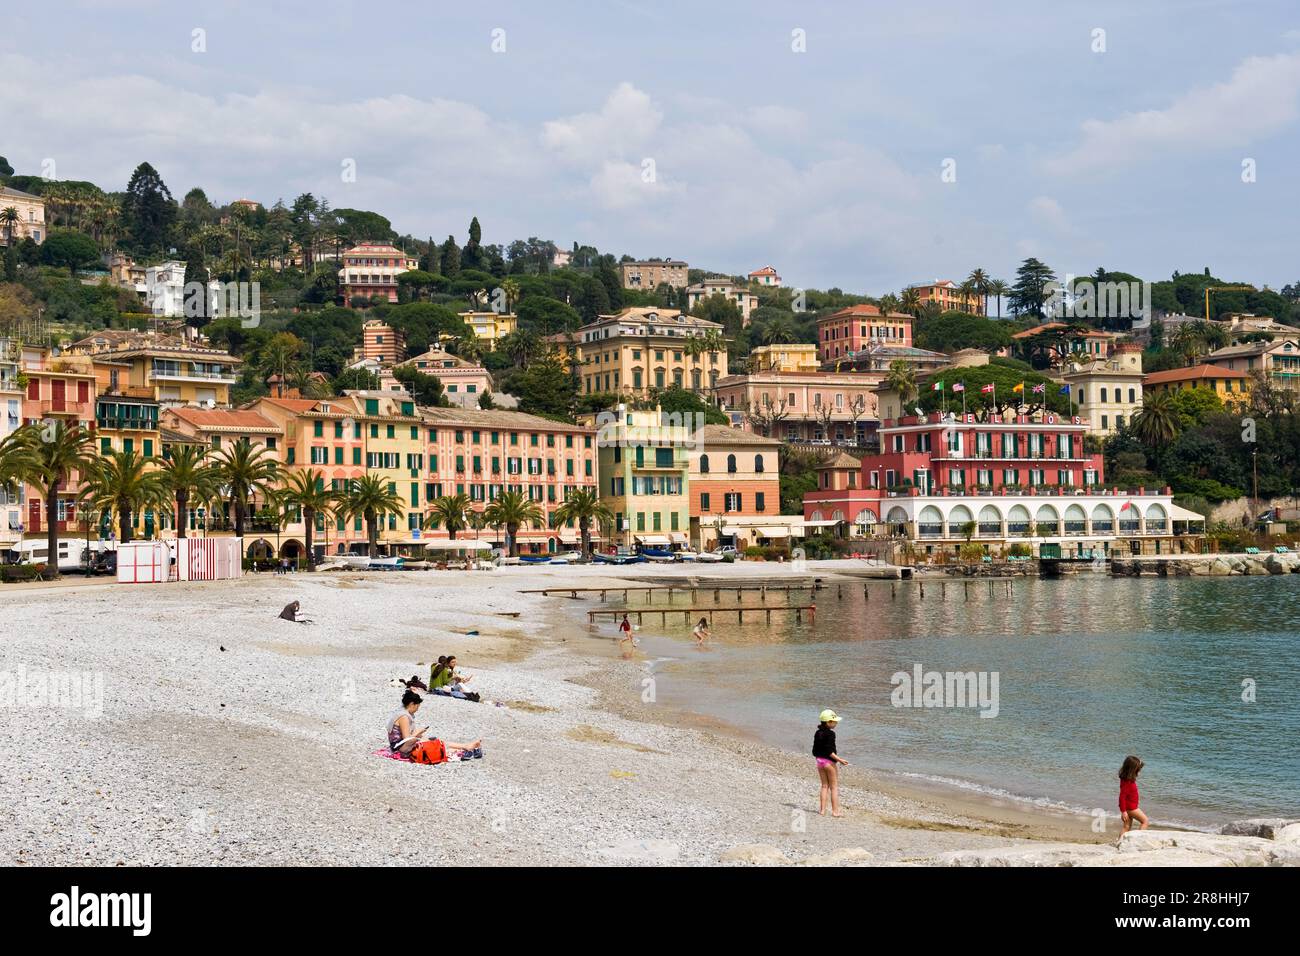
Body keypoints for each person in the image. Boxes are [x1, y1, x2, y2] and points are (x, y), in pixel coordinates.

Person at [386, 690, 480, 758]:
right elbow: (406, 738)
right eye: (417, 706)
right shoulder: (404, 717)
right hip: (400, 747)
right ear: (412, 704)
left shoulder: (403, 713)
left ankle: (464, 747)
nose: (417, 709)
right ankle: (464, 748)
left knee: (435, 742)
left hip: (402, 744)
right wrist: (418, 732)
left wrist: (418, 734)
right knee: (433, 745)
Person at [813, 709, 849, 817]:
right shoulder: (831, 734)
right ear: (828, 722)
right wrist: (840, 760)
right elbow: (829, 751)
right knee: (834, 787)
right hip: (829, 763)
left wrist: (820, 758)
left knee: (824, 786)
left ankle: (822, 810)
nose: (836, 723)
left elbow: (815, 750)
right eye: (834, 721)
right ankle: (835, 811)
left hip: (819, 762)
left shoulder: (818, 732)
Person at [1118, 755, 1149, 832]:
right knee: (1145, 821)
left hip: (1128, 807)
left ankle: (1120, 842)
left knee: (1127, 826)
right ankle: (1139, 838)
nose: (1139, 772)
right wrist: (1123, 811)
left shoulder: (1127, 779)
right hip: (1131, 808)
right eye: (1138, 770)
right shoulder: (1128, 782)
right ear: (1132, 770)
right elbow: (1122, 797)